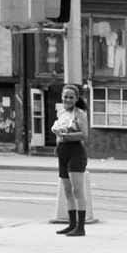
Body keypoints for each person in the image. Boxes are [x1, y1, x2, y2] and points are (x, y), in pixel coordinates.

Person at [52, 83, 89, 236]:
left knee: (77, 190)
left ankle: (81, 227)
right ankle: (71, 224)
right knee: (67, 191)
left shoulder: (79, 113)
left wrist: (65, 136)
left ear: (76, 99)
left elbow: (84, 135)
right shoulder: (61, 113)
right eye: (65, 96)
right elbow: (58, 133)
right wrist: (58, 143)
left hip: (76, 152)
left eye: (71, 97)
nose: (68, 99)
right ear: (62, 97)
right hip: (62, 152)